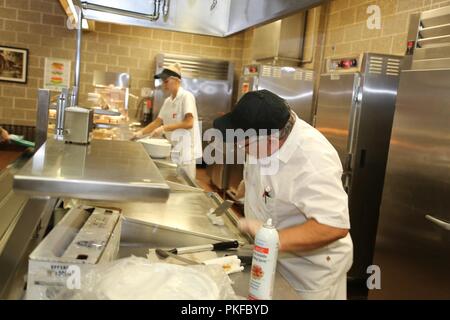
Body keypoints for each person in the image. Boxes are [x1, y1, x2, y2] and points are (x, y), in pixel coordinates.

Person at [213, 90, 353, 300]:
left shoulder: (313, 160)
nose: (241, 148)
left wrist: (270, 238)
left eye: (244, 144)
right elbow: (261, 175)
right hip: (271, 258)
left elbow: (334, 226)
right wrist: (246, 190)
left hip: (308, 273)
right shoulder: (267, 134)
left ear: (270, 139)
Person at [133, 63, 202, 179]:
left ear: (176, 80)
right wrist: (139, 133)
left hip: (186, 151)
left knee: (185, 183)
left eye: (166, 81)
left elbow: (189, 123)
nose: (163, 85)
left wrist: (165, 128)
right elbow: (157, 122)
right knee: (175, 181)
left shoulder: (186, 97)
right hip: (174, 148)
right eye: (162, 81)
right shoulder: (168, 101)